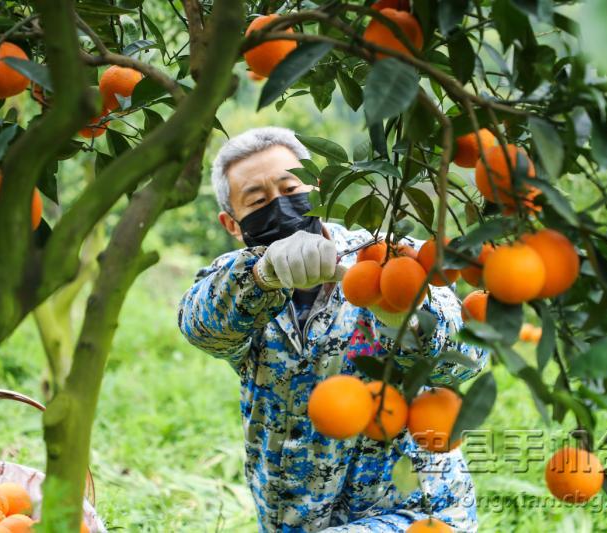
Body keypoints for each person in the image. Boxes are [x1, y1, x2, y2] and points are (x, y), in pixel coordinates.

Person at [177, 127, 488, 532]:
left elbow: (466, 360)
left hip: (413, 514)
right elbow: (201, 326)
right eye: (257, 199)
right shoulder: (237, 282)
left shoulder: (388, 261)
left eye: (290, 187)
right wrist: (262, 276)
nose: (281, 205)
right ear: (232, 223)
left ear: (317, 187)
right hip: (294, 520)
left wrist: (404, 316)